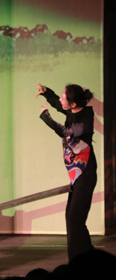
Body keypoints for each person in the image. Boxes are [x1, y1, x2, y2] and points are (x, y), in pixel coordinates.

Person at [36, 83, 97, 261]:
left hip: (85, 174)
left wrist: (46, 117)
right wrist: (47, 92)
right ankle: (86, 258)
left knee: (74, 219)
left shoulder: (84, 121)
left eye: (64, 97)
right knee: (72, 218)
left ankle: (81, 260)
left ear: (73, 104)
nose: (61, 99)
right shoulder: (73, 111)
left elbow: (65, 131)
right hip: (78, 176)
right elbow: (57, 103)